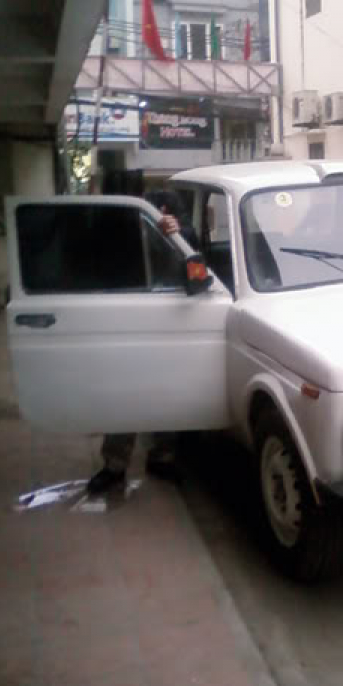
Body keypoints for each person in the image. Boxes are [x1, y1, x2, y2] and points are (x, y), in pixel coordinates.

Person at [86, 188, 194, 496]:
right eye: (152, 211)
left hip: (170, 318)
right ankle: (114, 467)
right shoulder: (124, 233)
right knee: (126, 393)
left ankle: (162, 457)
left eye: (164, 212)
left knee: (166, 394)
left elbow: (193, 248)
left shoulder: (180, 232)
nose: (160, 216)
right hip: (131, 316)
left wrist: (178, 230)